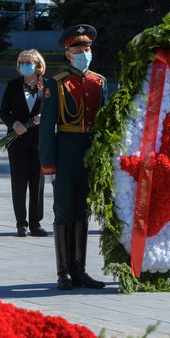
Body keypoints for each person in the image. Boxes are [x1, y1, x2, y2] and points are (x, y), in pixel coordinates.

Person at [39, 24, 107, 290]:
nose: (84, 53)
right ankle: (63, 272)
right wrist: (48, 164)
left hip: (89, 155)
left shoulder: (98, 82)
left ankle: (80, 270)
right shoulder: (56, 84)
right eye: (78, 49)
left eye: (87, 48)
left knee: (82, 213)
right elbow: (46, 129)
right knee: (64, 212)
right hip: (66, 153)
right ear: (68, 54)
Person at [0, 49, 48, 238]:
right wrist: (14, 123)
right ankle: (21, 224)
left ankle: (36, 223)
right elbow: (3, 112)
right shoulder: (12, 86)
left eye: (29, 62)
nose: (25, 65)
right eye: (22, 62)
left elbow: (55, 110)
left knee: (37, 184)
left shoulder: (47, 85)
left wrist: (45, 117)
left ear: (38, 65)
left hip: (39, 142)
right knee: (19, 183)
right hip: (17, 142)